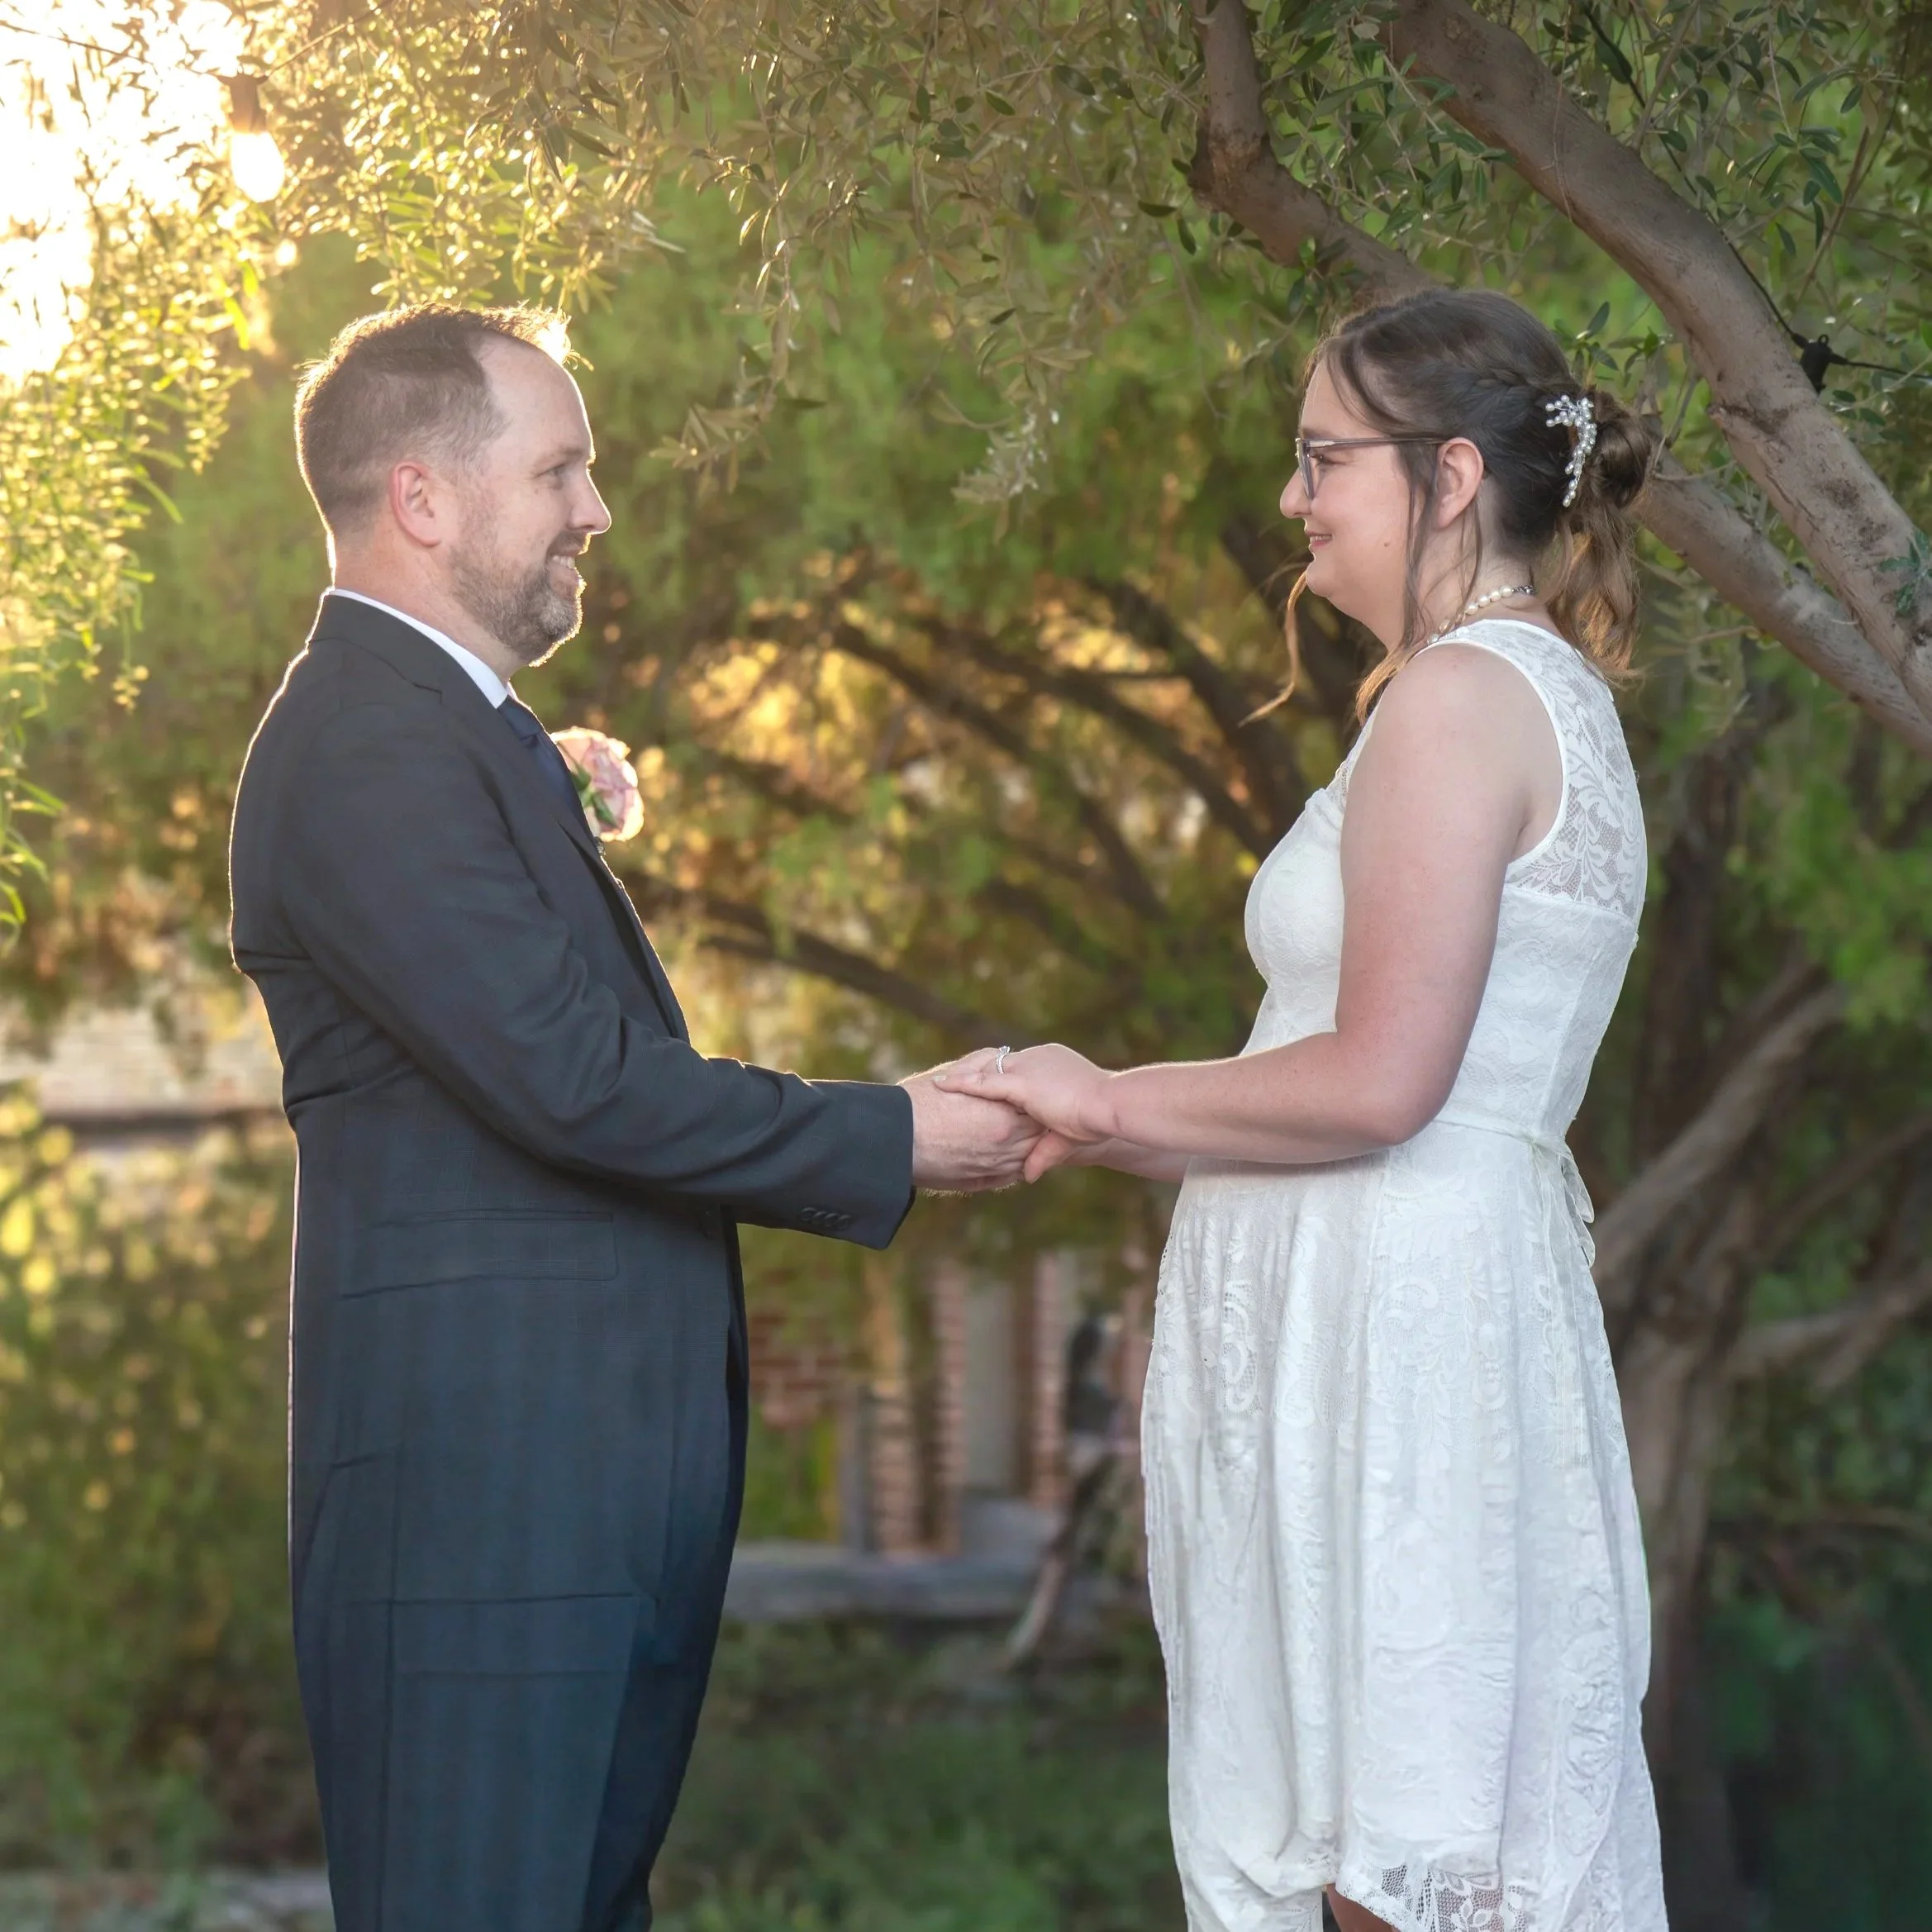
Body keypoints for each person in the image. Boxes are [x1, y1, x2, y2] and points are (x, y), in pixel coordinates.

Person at [227, 303, 1035, 1932]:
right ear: (424, 496)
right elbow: (566, 1077)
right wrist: (893, 1135)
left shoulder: (439, 728)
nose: (595, 510)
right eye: (562, 468)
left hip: (560, 1511)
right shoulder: (366, 743)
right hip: (481, 1527)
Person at [940, 288, 1668, 1932]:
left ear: (1452, 475)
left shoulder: (1461, 701)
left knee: (1391, 1864)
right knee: (1388, 1852)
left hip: (1395, 1339)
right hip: (1409, 1309)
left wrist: (1102, 1096)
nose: (1293, 498)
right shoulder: (1512, 693)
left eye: (1321, 456)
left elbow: (1380, 1076)